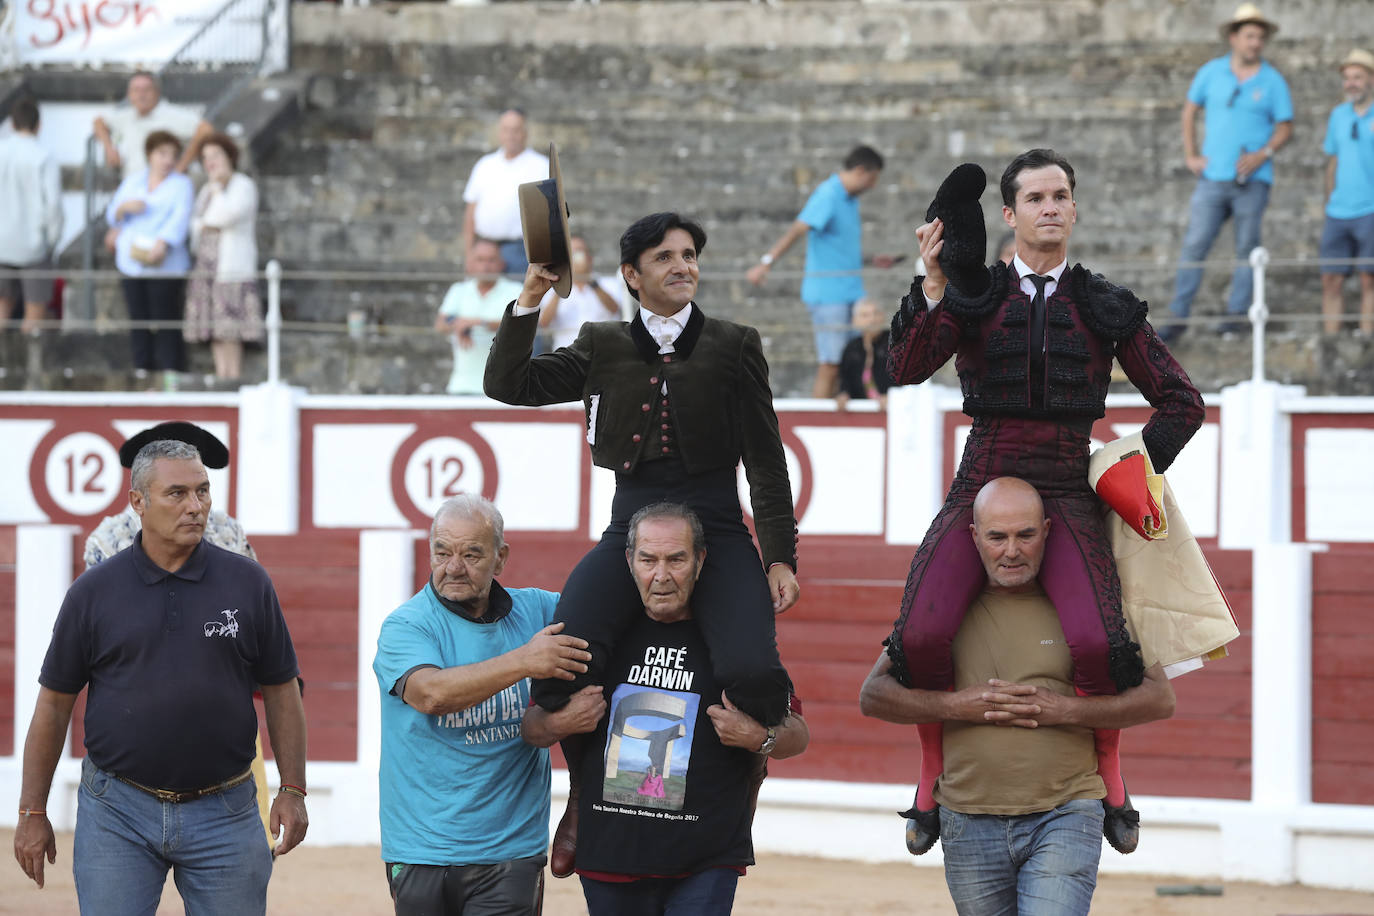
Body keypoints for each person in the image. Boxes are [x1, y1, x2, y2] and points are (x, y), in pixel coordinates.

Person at [886, 149, 1204, 856]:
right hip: (985, 480)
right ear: (1010, 214)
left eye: (1061, 195)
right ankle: (930, 778)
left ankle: (1111, 777)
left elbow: (1183, 403)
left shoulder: (1102, 303)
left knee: (1101, 645)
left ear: (1075, 207)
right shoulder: (973, 293)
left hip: (1066, 485)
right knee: (919, 636)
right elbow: (902, 369)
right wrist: (932, 279)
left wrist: (1121, 472)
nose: (1051, 207)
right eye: (1036, 198)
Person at [486, 211, 799, 874]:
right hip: (628, 533)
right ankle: (584, 799)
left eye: (689, 255)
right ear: (631, 274)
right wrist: (529, 301)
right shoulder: (600, 344)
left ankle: (745, 785)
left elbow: (766, 463)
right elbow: (507, 385)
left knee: (751, 672)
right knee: (561, 665)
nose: (683, 266)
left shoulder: (735, 343)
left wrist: (778, 555)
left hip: (716, 528)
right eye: (666, 257)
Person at [13, 438, 308, 911]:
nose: (195, 506)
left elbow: (281, 689)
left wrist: (293, 789)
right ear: (138, 503)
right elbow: (53, 704)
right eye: (177, 494)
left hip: (227, 809)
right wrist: (32, 810)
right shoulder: (93, 593)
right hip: (116, 810)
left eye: (203, 492)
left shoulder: (248, 582)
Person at [861, 478, 1176, 915]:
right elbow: (872, 696)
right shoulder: (941, 610)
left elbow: (1162, 699)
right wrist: (956, 705)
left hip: (1066, 811)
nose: (1012, 550)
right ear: (975, 537)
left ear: (1047, 531)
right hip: (966, 817)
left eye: (1025, 535)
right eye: (997, 537)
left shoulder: (1091, 607)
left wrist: (1066, 709)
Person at [522, 503, 808, 916]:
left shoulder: (731, 636)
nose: (661, 575)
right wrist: (559, 721)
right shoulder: (602, 629)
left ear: (700, 560)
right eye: (648, 560)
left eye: (676, 559)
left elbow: (797, 734)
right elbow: (531, 727)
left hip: (706, 858)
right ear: (628, 560)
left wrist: (759, 739)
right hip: (608, 854)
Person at [372, 494, 592, 915]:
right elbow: (430, 693)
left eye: (471, 554)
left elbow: (605, 619)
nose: (453, 567)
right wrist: (524, 660)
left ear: (500, 558)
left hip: (509, 852)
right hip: (421, 849)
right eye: (442, 552)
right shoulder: (407, 624)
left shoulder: (538, 611)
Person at [1161, 3, 1292, 340]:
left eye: (1260, 38)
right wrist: (1191, 154)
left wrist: (1264, 154)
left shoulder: (1273, 80)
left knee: (1247, 249)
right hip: (1213, 177)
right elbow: (1189, 111)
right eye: (1249, 36)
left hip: (1254, 179)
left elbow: (1285, 127)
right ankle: (1178, 316)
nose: (1255, 43)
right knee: (1194, 245)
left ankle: (1235, 315)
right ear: (1234, 37)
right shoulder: (1211, 72)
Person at [746, 145, 886, 397]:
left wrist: (872, 260)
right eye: (872, 178)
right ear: (861, 170)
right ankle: (820, 415)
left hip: (851, 291)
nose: (873, 186)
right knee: (832, 363)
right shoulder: (828, 195)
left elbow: (839, 248)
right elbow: (797, 230)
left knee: (857, 356)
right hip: (829, 293)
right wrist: (766, 262)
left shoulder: (848, 200)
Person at [105, 130, 195, 381]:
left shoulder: (181, 184)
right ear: (150, 154)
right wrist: (124, 208)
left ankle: (170, 371)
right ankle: (142, 370)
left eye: (172, 155)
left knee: (165, 319)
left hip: (165, 263)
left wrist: (163, 243)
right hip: (132, 262)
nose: (167, 160)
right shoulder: (133, 182)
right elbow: (113, 213)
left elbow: (180, 218)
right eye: (162, 153)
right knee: (138, 319)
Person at [185, 132, 263, 381]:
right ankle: (222, 375)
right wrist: (209, 218)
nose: (211, 162)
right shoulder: (207, 190)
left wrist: (219, 192)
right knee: (216, 330)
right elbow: (197, 224)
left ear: (229, 156)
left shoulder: (241, 186)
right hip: (208, 265)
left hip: (231, 267)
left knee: (230, 328)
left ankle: (232, 376)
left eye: (216, 155)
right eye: (206, 157)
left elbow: (225, 216)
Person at [1319, 49, 1374, 336]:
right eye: (1348, 77)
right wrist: (1330, 199)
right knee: (1331, 278)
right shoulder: (1338, 116)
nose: (1352, 83)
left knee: (1370, 279)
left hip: (1370, 210)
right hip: (1338, 211)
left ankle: (1367, 341)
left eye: (1358, 77)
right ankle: (1331, 340)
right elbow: (1333, 160)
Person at [0, 97, 63, 334]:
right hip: (33, 245)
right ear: (39, 125)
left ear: (12, 124)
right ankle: (27, 368)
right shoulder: (43, 156)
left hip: (1, 242)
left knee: (1, 309)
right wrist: (52, 240)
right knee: (34, 314)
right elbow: (53, 204)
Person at [462, 109, 549, 275]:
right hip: (484, 248)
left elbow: (547, 215)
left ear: (525, 132)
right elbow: (470, 213)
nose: (511, 135)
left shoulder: (541, 165)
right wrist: (469, 254)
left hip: (520, 250)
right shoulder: (485, 164)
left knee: (518, 299)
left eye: (516, 130)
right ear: (499, 133)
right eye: (506, 130)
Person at [435, 238, 524, 395]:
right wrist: (458, 325)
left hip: (502, 389)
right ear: (470, 264)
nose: (485, 266)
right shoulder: (459, 290)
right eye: (480, 260)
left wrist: (477, 323)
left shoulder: (515, 290)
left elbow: (521, 324)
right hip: (461, 385)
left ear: (501, 263)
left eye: (491, 260)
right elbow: (441, 324)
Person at [93, 71, 212, 178]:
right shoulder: (126, 116)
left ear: (157, 92)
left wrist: (182, 164)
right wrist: (109, 148)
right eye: (136, 90)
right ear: (129, 94)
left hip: (164, 188)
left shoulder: (171, 115)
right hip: (132, 187)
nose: (141, 95)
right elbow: (99, 122)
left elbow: (206, 129)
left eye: (146, 90)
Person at [538, 235, 629, 349]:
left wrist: (589, 280)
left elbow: (614, 308)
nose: (576, 257)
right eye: (571, 254)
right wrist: (562, 285)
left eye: (579, 252)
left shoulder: (608, 283)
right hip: (567, 353)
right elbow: (544, 322)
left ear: (589, 257)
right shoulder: (552, 290)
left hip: (604, 351)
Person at [835, 298, 893, 411]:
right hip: (862, 412)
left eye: (876, 313)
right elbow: (845, 381)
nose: (872, 319)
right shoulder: (851, 348)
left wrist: (893, 396)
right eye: (865, 315)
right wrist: (844, 395)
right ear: (855, 321)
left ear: (882, 317)